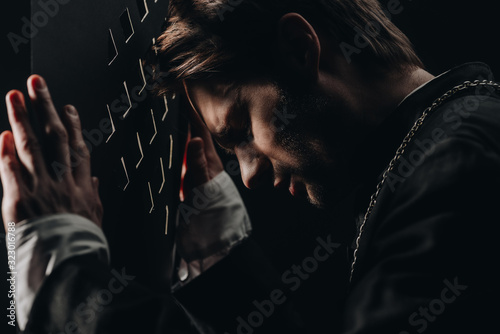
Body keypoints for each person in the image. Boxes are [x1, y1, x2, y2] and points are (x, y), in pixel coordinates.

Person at [2, 0, 499, 333]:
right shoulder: (449, 148)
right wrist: (221, 263)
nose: (249, 175)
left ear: (299, 49)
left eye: (240, 130)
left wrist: (66, 283)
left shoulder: (459, 170)